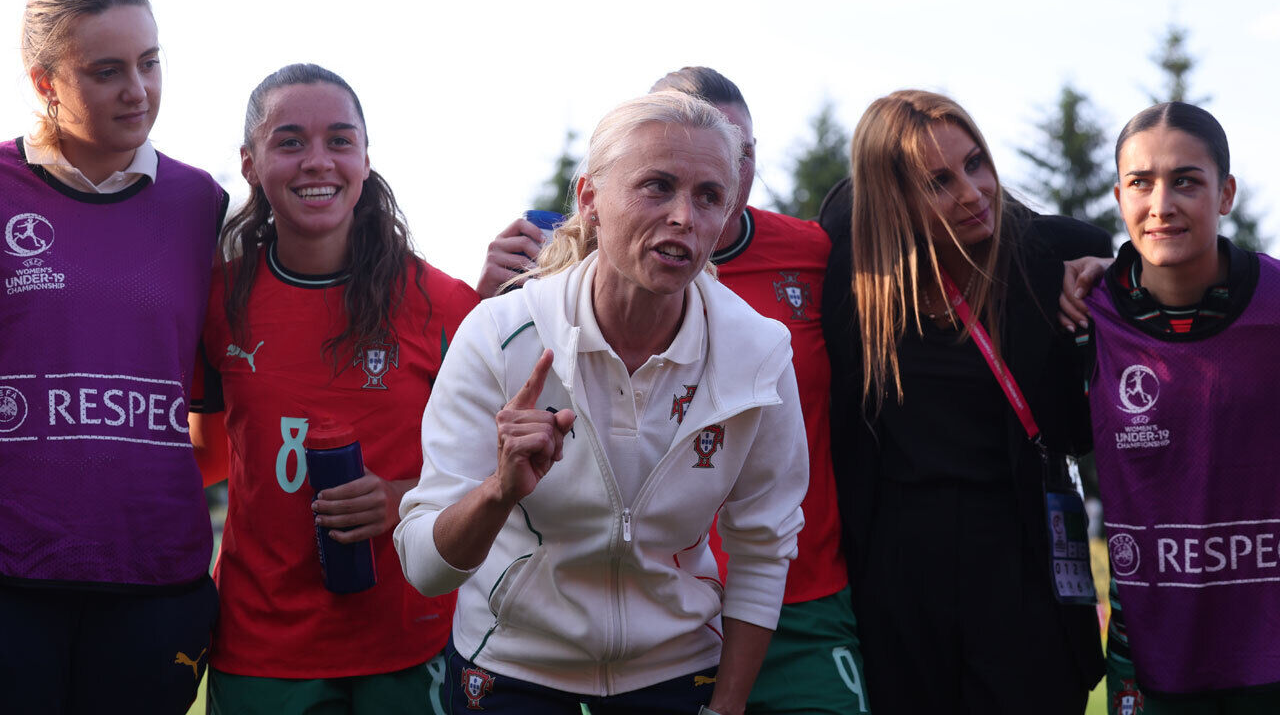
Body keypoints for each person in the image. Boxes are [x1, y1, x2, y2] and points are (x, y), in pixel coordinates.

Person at [395, 90, 808, 715]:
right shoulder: (500, 335)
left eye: (709, 197)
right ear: (589, 200)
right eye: (657, 186)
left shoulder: (759, 353)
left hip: (677, 669)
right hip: (510, 668)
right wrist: (498, 491)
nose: (683, 218)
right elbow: (425, 567)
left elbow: (762, 547)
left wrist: (726, 708)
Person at [187, 63, 479, 714]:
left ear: (365, 159)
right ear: (250, 163)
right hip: (260, 647)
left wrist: (403, 497)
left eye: (339, 140)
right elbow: (201, 453)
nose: (317, 161)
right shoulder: (216, 301)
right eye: (290, 141)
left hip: (408, 642)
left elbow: (501, 469)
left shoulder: (442, 304)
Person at [819, 90, 1107, 714]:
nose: (973, 192)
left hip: (1021, 556)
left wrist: (1106, 279)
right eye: (938, 181)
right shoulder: (851, 283)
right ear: (894, 197)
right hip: (898, 569)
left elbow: (1076, 429)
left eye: (976, 163)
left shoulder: (1040, 264)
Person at [0, 0, 226, 713]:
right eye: (107, 70)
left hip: (156, 586)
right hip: (11, 588)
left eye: (150, 62)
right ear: (45, 83)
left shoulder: (203, 206)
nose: (139, 89)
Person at [649, 66, 869, 714]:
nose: (727, 167)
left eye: (741, 151)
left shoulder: (816, 251)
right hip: (663, 609)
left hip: (805, 599)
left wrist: (1074, 268)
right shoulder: (607, 272)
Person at [1075, 102, 1280, 714]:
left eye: (1186, 180)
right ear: (1119, 196)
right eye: (1141, 182)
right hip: (1150, 659)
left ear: (1226, 195)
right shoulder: (1086, 311)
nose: (1161, 204)